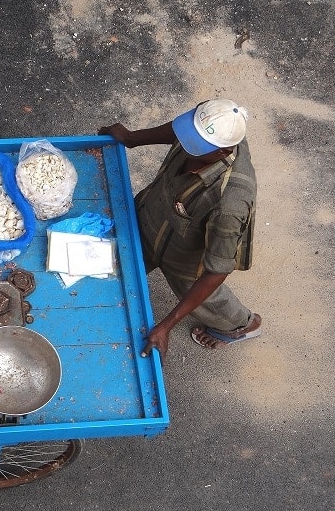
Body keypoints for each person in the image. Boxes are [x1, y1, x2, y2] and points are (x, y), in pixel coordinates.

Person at [98, 98, 262, 361]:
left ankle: (241, 326)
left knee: (206, 300)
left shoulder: (229, 203)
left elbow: (216, 271)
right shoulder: (212, 119)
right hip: (152, 214)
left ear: (223, 152)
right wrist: (132, 138)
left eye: (195, 145)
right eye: (189, 136)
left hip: (184, 258)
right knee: (113, 266)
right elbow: (177, 130)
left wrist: (166, 325)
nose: (186, 145)